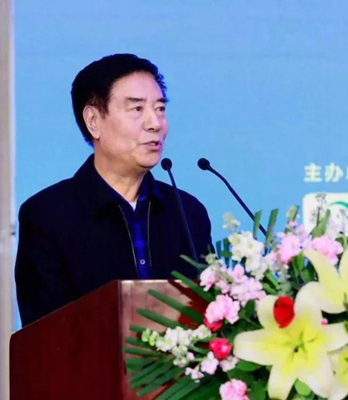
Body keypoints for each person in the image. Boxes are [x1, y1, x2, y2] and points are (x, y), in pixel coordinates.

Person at [15, 54, 212, 327]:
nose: (155, 123)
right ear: (93, 121)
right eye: (137, 109)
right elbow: (46, 334)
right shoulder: (47, 216)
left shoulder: (188, 212)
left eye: (160, 108)